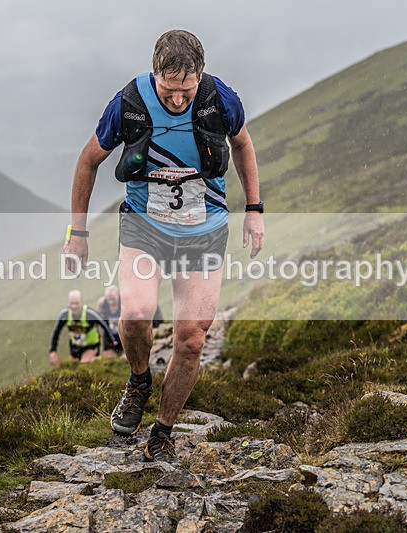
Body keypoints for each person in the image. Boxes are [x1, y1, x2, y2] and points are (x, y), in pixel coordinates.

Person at [64, 30, 264, 465]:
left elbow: (243, 144)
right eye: (169, 90)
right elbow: (87, 162)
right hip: (145, 227)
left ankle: (164, 430)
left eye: (186, 90)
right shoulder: (129, 103)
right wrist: (77, 233)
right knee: (134, 316)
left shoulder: (220, 98)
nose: (178, 100)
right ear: (155, 74)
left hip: (205, 230)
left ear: (200, 77)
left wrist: (254, 208)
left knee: (191, 339)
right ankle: (139, 381)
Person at [49, 290, 117, 365]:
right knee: (71, 366)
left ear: (82, 302)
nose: (74, 306)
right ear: (68, 303)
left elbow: (104, 325)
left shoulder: (90, 314)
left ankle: (97, 360)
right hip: (75, 347)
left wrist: (112, 341)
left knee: (83, 363)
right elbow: (56, 332)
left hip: (91, 346)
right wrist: (53, 351)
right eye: (72, 303)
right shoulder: (64, 315)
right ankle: (95, 361)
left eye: (76, 303)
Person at [97, 285, 165, 358]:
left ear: (118, 296)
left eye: (113, 299)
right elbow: (101, 319)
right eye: (109, 299)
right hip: (112, 335)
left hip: (127, 333)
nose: (111, 302)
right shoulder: (103, 305)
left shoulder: (128, 303)